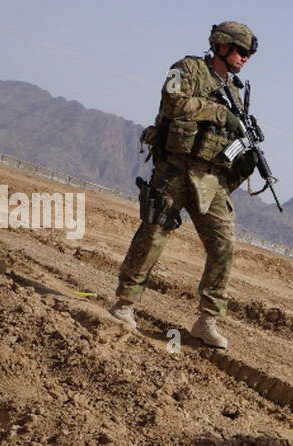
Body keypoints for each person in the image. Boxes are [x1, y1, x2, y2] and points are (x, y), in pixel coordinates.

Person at [110, 21, 263, 350]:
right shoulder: (186, 68)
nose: (245, 57)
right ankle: (124, 304)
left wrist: (243, 154)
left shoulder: (236, 92)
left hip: (211, 179)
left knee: (224, 246)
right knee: (153, 235)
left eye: (249, 53)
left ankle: (207, 319)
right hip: (176, 170)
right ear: (221, 46)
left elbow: (224, 138)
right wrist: (220, 115)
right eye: (241, 50)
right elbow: (173, 104)